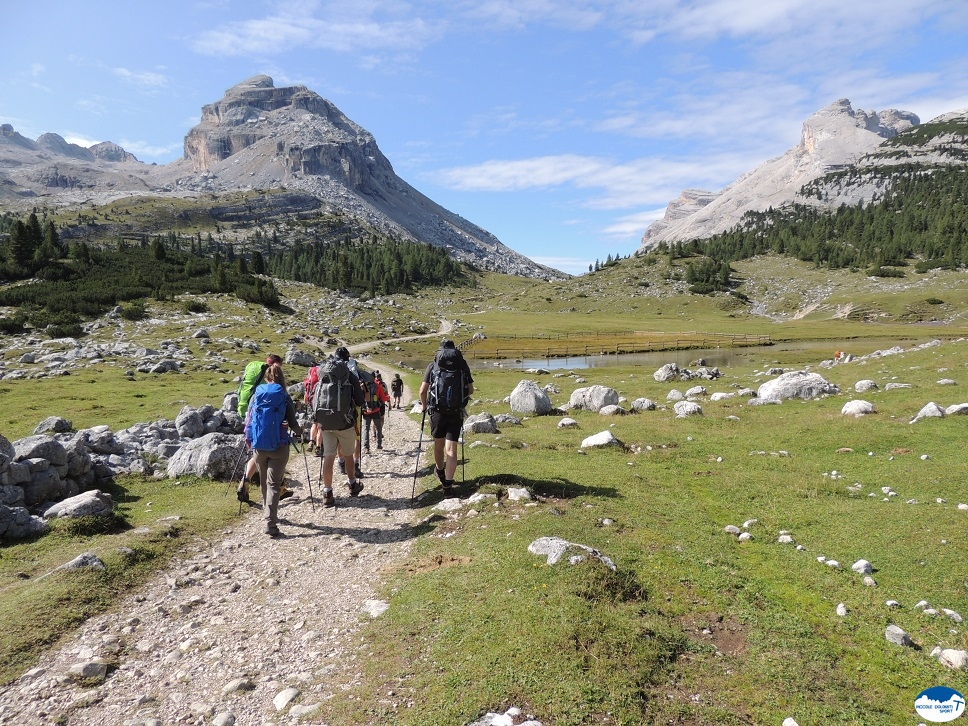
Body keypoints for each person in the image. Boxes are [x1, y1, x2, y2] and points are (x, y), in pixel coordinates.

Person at [244, 362, 302, 536]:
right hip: (279, 446)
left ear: (267, 377)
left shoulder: (257, 395)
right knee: (274, 484)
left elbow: (249, 418)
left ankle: (267, 511)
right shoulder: (283, 396)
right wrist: (300, 432)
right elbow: (293, 424)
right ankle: (270, 523)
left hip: (259, 446)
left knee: (264, 482)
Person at [419, 339, 474, 496]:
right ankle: (448, 487)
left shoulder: (433, 365)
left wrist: (424, 406)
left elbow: (422, 391)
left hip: (437, 412)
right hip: (456, 412)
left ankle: (440, 472)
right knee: (452, 448)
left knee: (439, 445)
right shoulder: (462, 366)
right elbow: (470, 390)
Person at [238, 354, 293, 503]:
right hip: (271, 423)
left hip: (251, 413)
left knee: (258, 450)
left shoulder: (257, 371)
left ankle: (245, 480)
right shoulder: (275, 385)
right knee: (275, 451)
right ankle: (278, 489)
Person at [317, 351, 366, 507]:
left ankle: (327, 492)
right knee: (348, 454)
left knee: (328, 457)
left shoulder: (323, 373)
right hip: (345, 423)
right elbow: (359, 400)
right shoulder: (349, 374)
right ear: (347, 360)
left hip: (325, 422)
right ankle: (352, 484)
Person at [362, 370, 391, 452]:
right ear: (374, 377)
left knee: (366, 429)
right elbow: (383, 398)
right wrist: (388, 397)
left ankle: (366, 447)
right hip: (376, 410)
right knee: (378, 427)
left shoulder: (363, 385)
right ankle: (379, 445)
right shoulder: (378, 386)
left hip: (366, 411)